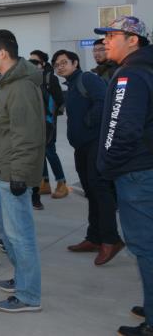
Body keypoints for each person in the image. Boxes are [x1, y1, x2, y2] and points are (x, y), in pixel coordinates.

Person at [92, 16, 153, 336]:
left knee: (145, 246)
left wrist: (107, 166)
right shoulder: (146, 68)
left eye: (113, 35)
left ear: (133, 40)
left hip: (136, 173)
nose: (106, 41)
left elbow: (121, 128)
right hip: (145, 168)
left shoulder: (130, 74)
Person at [0, 29, 45, 313]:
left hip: (13, 173)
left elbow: (27, 136)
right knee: (6, 231)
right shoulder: (9, 84)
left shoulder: (20, 87)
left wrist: (19, 174)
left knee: (20, 235)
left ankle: (29, 295)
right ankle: (22, 279)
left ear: (3, 53)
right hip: (2, 170)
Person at [52, 49, 123, 264]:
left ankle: (111, 240)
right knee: (91, 191)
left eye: (64, 62)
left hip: (95, 144)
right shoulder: (72, 85)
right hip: (81, 147)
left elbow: (104, 101)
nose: (60, 67)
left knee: (100, 190)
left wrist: (88, 122)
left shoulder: (87, 79)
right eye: (57, 65)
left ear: (75, 63)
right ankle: (94, 237)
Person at [29, 49, 68, 205]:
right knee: (40, 152)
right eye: (30, 62)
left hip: (48, 122)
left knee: (50, 151)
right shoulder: (32, 78)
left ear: (43, 63)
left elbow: (59, 99)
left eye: (36, 62)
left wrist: (51, 117)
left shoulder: (50, 78)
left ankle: (61, 182)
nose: (32, 65)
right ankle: (44, 182)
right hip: (36, 122)